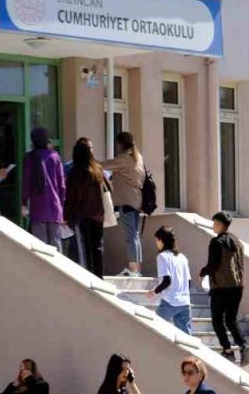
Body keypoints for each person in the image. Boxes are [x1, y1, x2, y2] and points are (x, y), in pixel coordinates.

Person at [199, 211, 249, 364]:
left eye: (215, 223)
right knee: (231, 319)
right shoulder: (237, 241)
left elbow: (213, 264)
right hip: (237, 286)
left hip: (221, 286)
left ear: (220, 225)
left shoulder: (216, 242)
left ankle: (227, 350)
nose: (213, 226)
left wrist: (203, 272)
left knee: (217, 320)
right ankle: (243, 345)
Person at [101, 131, 145, 276]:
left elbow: (104, 165)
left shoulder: (124, 159)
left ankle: (133, 270)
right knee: (135, 235)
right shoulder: (137, 158)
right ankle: (137, 269)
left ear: (120, 144)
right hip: (136, 201)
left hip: (126, 201)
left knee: (130, 236)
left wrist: (89, 161)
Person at [64, 137, 106, 278]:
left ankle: (89, 277)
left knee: (85, 249)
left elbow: (71, 198)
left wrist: (66, 216)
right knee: (97, 247)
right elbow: (108, 189)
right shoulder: (98, 169)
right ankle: (99, 277)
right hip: (98, 215)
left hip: (82, 216)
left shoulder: (75, 173)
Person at [22, 127, 66, 251]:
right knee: (56, 248)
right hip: (54, 207)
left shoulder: (29, 158)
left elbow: (26, 182)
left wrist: (24, 202)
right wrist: (62, 206)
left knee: (40, 249)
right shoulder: (54, 157)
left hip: (37, 208)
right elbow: (61, 185)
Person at [148, 226, 192, 336]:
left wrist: (154, 291)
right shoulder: (183, 257)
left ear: (161, 240)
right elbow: (189, 282)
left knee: (155, 331)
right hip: (185, 302)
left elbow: (167, 281)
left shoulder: (162, 257)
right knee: (186, 338)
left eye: (157, 240)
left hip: (170, 301)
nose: (156, 243)